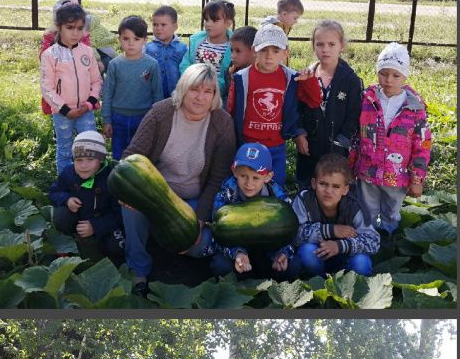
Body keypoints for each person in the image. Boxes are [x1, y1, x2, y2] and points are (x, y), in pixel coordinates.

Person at [119, 64, 236, 296]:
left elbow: (217, 179)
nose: (200, 97)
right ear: (183, 88)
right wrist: (130, 191)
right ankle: (138, 269)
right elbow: (131, 156)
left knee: (199, 247)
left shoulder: (222, 123)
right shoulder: (160, 113)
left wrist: (202, 217)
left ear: (214, 95)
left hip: (192, 199)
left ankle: (163, 239)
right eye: (195, 89)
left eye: (208, 91)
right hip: (156, 193)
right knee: (130, 209)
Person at [355, 42, 433, 236]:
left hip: (396, 175)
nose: (388, 80)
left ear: (405, 76)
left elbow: (422, 145)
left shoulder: (415, 107)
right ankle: (368, 239)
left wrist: (417, 178)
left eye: (395, 75)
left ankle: (389, 239)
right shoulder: (366, 99)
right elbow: (355, 135)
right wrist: (350, 166)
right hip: (367, 170)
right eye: (383, 73)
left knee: (391, 211)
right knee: (367, 209)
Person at [227, 17, 311, 188]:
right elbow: (231, 109)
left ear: (285, 52)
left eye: (275, 50)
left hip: (276, 145)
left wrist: (309, 81)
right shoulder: (241, 78)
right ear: (254, 50)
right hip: (248, 143)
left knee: (275, 186)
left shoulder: (290, 77)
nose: (269, 56)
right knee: (247, 185)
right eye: (264, 49)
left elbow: (313, 101)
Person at [210, 143, 296, 279]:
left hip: (267, 247)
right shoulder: (226, 194)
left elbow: (291, 232)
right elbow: (217, 235)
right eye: (243, 176)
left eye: (255, 177)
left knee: (292, 266)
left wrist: (283, 253)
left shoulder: (277, 195)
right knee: (221, 265)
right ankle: (242, 284)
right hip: (237, 246)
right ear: (234, 171)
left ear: (268, 176)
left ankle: (266, 281)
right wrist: (237, 253)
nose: (249, 183)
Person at [295, 19, 363, 189]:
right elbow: (297, 108)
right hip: (309, 147)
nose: (325, 49)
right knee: (308, 183)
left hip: (337, 148)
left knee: (332, 185)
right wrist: (299, 133)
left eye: (331, 44)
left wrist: (342, 140)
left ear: (342, 46)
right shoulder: (306, 76)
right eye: (320, 44)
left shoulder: (350, 80)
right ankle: (305, 212)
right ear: (313, 46)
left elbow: (354, 114)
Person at [289, 153, 380, 279]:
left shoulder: (355, 206)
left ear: (345, 189)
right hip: (317, 253)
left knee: (361, 263)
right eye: (323, 184)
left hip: (346, 256)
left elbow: (373, 242)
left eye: (336, 186)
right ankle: (318, 284)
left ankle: (349, 290)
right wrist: (331, 230)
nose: (328, 191)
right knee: (306, 252)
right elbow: (294, 234)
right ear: (314, 183)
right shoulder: (304, 199)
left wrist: (340, 246)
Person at [40, 0, 102, 173]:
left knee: (90, 147)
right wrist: (66, 110)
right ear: (58, 27)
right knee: (65, 151)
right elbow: (47, 88)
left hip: (86, 111)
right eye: (70, 27)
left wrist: (88, 104)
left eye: (80, 28)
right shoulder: (50, 55)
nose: (76, 33)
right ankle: (65, 187)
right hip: (62, 114)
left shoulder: (87, 52)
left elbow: (96, 81)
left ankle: (90, 184)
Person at [48, 130, 125, 263]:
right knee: (61, 216)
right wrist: (66, 199)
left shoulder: (112, 178)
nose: (84, 165)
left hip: (105, 223)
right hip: (80, 220)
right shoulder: (69, 173)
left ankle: (101, 253)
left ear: (101, 159)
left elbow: (119, 213)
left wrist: (96, 226)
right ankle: (69, 242)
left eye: (90, 159)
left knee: (118, 248)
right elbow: (54, 192)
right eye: (79, 160)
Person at [102, 15, 163, 160]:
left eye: (136, 39)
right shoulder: (115, 64)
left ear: (145, 40)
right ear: (119, 39)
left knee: (140, 156)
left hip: (144, 118)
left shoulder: (152, 65)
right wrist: (106, 120)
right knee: (119, 155)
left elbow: (157, 95)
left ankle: (138, 182)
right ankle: (118, 181)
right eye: (126, 39)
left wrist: (157, 121)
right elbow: (108, 93)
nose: (131, 44)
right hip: (118, 118)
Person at [180, 0, 235, 100]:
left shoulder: (234, 47)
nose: (208, 24)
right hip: (192, 93)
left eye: (214, 20)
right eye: (206, 19)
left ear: (228, 23)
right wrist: (191, 81)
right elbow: (185, 64)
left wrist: (211, 89)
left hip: (217, 99)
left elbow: (229, 77)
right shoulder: (196, 41)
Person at [145, 5, 188, 98]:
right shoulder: (147, 49)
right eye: (155, 24)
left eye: (163, 25)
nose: (158, 28)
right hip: (153, 97)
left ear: (175, 26)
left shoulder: (183, 49)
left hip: (177, 96)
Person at [224, 26, 257, 110]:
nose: (233, 56)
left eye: (238, 51)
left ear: (253, 51)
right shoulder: (231, 70)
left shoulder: (260, 73)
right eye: (232, 50)